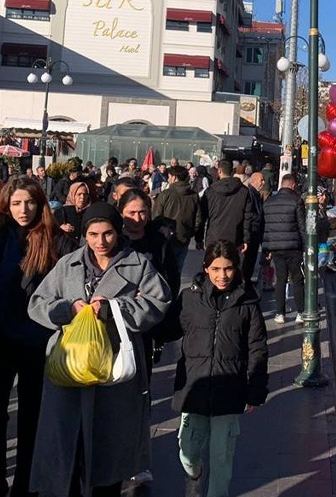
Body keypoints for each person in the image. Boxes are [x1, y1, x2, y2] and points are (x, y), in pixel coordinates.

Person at [27, 202, 171, 497]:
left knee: (108, 447)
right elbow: (37, 304)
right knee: (69, 442)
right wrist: (67, 309)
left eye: (107, 234)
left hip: (113, 369)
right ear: (84, 234)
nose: (100, 242)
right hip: (70, 364)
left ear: (117, 232)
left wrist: (115, 308)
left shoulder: (138, 264)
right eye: (93, 234)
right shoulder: (68, 263)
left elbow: (159, 302)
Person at [163, 240, 268, 497]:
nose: (223, 275)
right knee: (187, 451)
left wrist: (255, 390)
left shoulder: (247, 303)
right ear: (206, 268)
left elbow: (257, 347)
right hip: (193, 387)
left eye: (229, 269)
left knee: (222, 458)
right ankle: (195, 473)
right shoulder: (189, 298)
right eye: (217, 269)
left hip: (229, 388)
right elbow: (168, 329)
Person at [0, 178, 75, 497]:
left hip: (38, 340)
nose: (23, 209)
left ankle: (26, 484)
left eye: (29, 202)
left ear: (40, 202)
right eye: (16, 203)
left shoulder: (56, 239)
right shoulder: (2, 235)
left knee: (33, 415)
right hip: (1, 339)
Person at [261, 173, 305, 324]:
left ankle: (280, 313)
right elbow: (302, 226)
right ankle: (300, 312)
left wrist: (266, 248)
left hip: (276, 247)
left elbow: (265, 227)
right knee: (298, 279)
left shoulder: (269, 202)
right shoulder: (296, 201)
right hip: (293, 246)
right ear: (293, 185)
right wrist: (306, 246)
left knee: (280, 279)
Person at [153, 166, 202, 276]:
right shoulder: (193, 196)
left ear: (174, 178)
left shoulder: (166, 194)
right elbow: (198, 219)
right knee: (176, 272)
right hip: (183, 237)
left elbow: (156, 217)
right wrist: (191, 232)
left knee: (161, 271)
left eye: (169, 176)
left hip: (165, 239)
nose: (168, 179)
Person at [201, 160, 252, 251]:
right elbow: (247, 217)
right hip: (235, 236)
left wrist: (199, 238)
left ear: (219, 171)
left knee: (213, 263)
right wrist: (246, 239)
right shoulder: (243, 191)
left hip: (214, 236)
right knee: (230, 264)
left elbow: (202, 216)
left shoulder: (210, 191)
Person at [242, 172, 266, 284]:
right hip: (251, 231)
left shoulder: (256, 193)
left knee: (251, 259)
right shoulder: (249, 193)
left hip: (255, 232)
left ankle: (247, 280)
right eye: (261, 180)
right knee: (247, 260)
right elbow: (249, 213)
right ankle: (244, 281)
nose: (263, 183)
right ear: (254, 180)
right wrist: (258, 218)